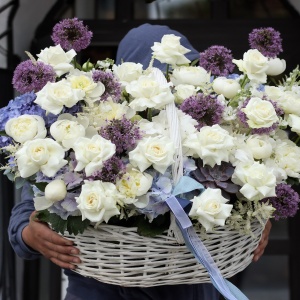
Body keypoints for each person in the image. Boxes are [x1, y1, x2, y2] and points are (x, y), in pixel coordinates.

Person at [8, 23, 272, 300]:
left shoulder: (207, 135)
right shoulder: (87, 131)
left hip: (188, 289)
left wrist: (258, 218)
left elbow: (241, 199)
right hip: (98, 291)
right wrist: (29, 234)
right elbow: (28, 207)